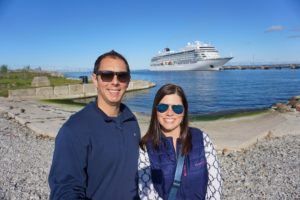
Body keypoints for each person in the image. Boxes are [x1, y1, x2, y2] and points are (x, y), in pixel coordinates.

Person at [48, 50, 141, 199]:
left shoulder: (131, 121)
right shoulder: (74, 129)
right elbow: (65, 188)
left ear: (128, 81)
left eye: (122, 76)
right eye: (107, 75)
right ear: (95, 79)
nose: (115, 82)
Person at [138, 83, 222, 200]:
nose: (170, 113)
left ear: (184, 112)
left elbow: (215, 184)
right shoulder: (145, 148)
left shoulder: (201, 138)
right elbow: (147, 194)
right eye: (163, 107)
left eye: (177, 108)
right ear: (155, 111)